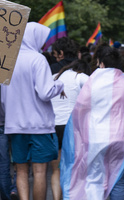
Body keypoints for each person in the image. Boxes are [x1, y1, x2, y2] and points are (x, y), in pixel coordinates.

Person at [1, 22, 64, 200]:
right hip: (39, 126)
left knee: (20, 170)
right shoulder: (38, 59)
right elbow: (45, 92)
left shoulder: (8, 61)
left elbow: (4, 99)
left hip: (15, 125)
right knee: (39, 171)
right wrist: (59, 85)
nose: (43, 45)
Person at [61, 46, 124, 199]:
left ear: (100, 63)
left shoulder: (93, 80)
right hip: (120, 139)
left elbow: (80, 109)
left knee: (92, 181)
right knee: (117, 182)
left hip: (96, 139)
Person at [50, 60, 91, 200]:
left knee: (56, 169)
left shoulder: (54, 76)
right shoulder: (80, 77)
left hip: (53, 126)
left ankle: (57, 198)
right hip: (71, 126)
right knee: (73, 167)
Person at [0, 81, 18, 200]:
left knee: (2, 164)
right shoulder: (13, 69)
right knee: (20, 162)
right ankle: (14, 188)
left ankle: (7, 196)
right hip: (15, 119)